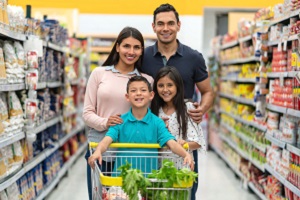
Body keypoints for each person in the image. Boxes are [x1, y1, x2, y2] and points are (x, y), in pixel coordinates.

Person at [142, 4, 214, 200]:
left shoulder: (194, 57)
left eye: (171, 23)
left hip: (183, 134)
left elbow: (207, 91)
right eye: (161, 24)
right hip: (152, 137)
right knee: (152, 191)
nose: (166, 28)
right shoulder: (144, 56)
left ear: (178, 25)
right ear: (153, 26)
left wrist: (202, 109)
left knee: (184, 191)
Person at [83, 26, 153, 200]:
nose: (131, 52)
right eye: (126, 46)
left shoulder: (147, 80)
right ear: (117, 47)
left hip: (133, 152)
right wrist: (106, 122)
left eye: (136, 47)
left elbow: (150, 117)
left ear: (142, 51)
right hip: (101, 150)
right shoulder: (100, 74)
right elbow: (87, 113)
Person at [88, 76, 194, 175]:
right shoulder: (120, 121)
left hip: (148, 181)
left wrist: (186, 155)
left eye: (143, 90)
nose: (138, 93)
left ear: (151, 95)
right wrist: (98, 151)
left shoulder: (157, 123)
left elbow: (172, 143)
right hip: (121, 181)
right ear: (127, 96)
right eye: (133, 91)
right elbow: (106, 140)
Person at [151, 66, 206, 169]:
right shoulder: (154, 111)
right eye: (161, 85)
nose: (165, 89)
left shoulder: (188, 108)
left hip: (182, 168)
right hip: (159, 168)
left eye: (170, 85)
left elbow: (198, 142)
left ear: (177, 86)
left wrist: (185, 143)